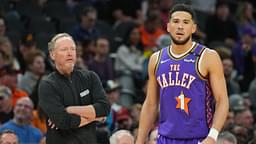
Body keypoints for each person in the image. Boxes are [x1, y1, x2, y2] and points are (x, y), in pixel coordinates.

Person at [136, 4, 229, 144]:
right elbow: (150, 104)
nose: (180, 26)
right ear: (168, 27)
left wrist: (212, 136)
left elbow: (222, 100)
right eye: (176, 21)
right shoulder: (156, 58)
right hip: (165, 138)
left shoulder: (207, 56)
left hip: (199, 138)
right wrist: (139, 141)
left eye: (186, 22)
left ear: (193, 28)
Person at [38, 33, 110, 144]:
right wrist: (95, 117)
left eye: (72, 49)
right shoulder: (47, 85)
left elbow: (104, 108)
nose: (69, 53)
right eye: (64, 49)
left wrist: (70, 110)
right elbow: (63, 121)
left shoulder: (90, 77)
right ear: (52, 55)